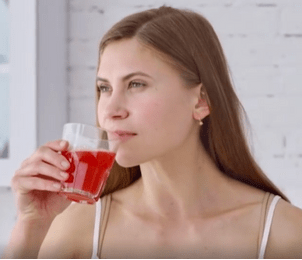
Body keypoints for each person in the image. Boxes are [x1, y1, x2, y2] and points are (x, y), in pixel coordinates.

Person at [3, 5, 302, 259]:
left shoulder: (281, 232)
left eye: (136, 84)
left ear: (201, 101)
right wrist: (31, 225)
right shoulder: (78, 228)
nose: (110, 110)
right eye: (104, 88)